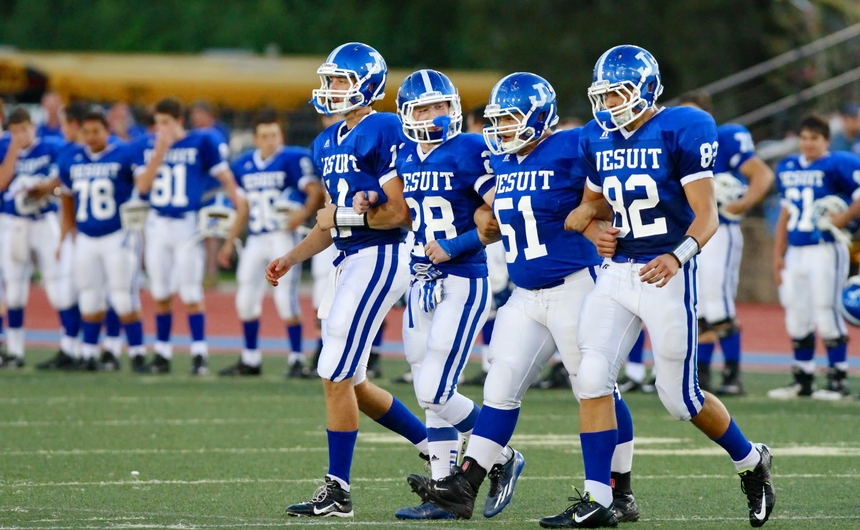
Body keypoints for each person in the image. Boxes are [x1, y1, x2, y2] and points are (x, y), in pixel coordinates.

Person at [406, 72, 639, 523]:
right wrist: (461, 238)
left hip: (575, 286)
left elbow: (615, 176)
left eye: (511, 119)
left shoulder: (571, 145)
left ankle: (617, 492)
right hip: (525, 294)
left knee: (596, 389)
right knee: (499, 384)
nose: (501, 129)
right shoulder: (502, 161)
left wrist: (590, 212)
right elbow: (492, 222)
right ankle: (466, 485)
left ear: (539, 116)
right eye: (497, 120)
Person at [557, 44, 774, 528]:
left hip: (667, 271)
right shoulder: (595, 137)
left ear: (647, 89)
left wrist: (677, 256)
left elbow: (707, 216)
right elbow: (594, 204)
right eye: (604, 95)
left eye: (620, 93)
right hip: (617, 273)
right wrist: (592, 225)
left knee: (681, 400)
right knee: (591, 377)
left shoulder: (683, 126)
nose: (611, 104)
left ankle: (751, 459)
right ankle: (600, 498)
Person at [264, 42, 428, 518]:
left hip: (381, 255)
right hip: (347, 258)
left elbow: (399, 213)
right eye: (330, 79)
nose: (330, 88)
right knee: (350, 379)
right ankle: (439, 450)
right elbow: (330, 223)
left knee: (333, 371)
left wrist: (339, 219)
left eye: (339, 80)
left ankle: (338, 491)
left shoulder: (385, 126)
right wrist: (292, 257)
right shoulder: (327, 140)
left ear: (367, 84)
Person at [370, 69, 507, 520]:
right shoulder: (406, 154)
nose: (434, 116)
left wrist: (455, 245)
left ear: (453, 107)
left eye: (441, 106)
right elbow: (410, 213)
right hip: (422, 280)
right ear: (407, 113)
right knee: (422, 382)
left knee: (434, 388)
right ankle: (444, 492)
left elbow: (499, 215)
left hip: (463, 279)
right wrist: (372, 199)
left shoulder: (470, 148)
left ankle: (501, 455)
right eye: (425, 108)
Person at [134, 97, 248, 375]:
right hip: (157, 223)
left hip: (187, 224)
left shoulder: (201, 142)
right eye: (157, 123)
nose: (160, 129)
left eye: (166, 122)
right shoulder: (148, 146)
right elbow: (142, 187)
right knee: (160, 291)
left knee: (190, 290)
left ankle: (199, 353)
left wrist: (236, 198)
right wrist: (159, 152)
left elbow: (225, 177)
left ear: (178, 122)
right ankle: (162, 353)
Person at [677, 90, 776, 395]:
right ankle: (703, 376)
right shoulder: (674, 144)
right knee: (700, 308)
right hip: (692, 232)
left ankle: (733, 376)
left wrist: (740, 205)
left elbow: (762, 174)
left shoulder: (726, 138)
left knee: (719, 306)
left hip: (720, 230)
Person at [217, 110, 324, 376]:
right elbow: (243, 207)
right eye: (264, 136)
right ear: (255, 139)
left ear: (281, 136)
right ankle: (250, 358)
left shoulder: (293, 158)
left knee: (285, 299)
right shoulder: (243, 164)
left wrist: (301, 214)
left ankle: (296, 359)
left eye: (274, 135)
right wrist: (229, 242)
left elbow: (314, 192)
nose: (270, 141)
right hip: (256, 237)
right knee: (245, 298)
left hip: (282, 236)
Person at [768, 114, 860, 400]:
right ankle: (803, 378)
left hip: (826, 247)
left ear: (826, 141)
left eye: (814, 139)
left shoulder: (839, 163)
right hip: (796, 250)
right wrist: (777, 253)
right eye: (805, 138)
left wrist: (844, 217)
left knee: (826, 309)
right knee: (797, 313)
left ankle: (837, 380)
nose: (808, 144)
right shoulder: (788, 166)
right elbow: (785, 212)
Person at [55, 110, 150, 371]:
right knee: (89, 297)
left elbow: (143, 187)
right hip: (86, 236)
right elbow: (66, 197)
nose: (92, 136)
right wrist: (68, 230)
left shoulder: (125, 154)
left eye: (97, 131)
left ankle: (137, 354)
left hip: (117, 235)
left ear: (107, 130)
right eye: (87, 132)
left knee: (123, 298)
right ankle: (88, 354)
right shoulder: (71, 158)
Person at [0, 108, 77, 369]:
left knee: (57, 287)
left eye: (24, 129)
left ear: (34, 127)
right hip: (15, 224)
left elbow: (63, 182)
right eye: (15, 130)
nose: (21, 135)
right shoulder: (4, 147)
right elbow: (2, 182)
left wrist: (46, 190)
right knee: (14, 290)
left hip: (45, 222)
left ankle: (70, 348)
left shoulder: (51, 147)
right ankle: (15, 350)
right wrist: (13, 149)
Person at [460, 103, 512, 388]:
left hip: (500, 235)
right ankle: (488, 364)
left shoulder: (488, 151)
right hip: (495, 233)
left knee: (498, 302)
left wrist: (481, 213)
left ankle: (494, 365)